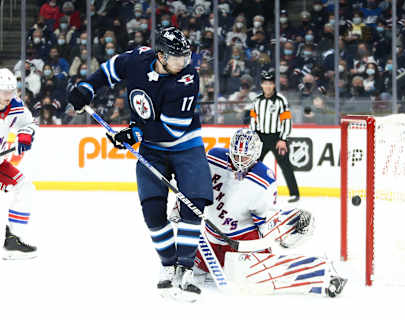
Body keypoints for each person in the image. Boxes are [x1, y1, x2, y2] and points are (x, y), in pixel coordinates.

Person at [67, 27, 213, 298]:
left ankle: (186, 267)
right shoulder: (137, 59)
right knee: (153, 213)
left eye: (186, 56)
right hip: (151, 150)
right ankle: (168, 265)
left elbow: (172, 130)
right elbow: (109, 70)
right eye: (177, 57)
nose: (184, 62)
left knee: (193, 204)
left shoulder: (187, 79)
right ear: (160, 55)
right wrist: (86, 88)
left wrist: (133, 134)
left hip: (186, 147)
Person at [171, 129, 346, 297]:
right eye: (236, 155)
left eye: (245, 156)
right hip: (209, 237)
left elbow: (264, 220)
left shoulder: (264, 179)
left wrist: (279, 231)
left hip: (242, 239)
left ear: (256, 155)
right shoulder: (214, 158)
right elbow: (194, 183)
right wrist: (180, 205)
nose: (239, 161)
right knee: (184, 271)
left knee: (257, 277)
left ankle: (321, 272)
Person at [0, 68, 37, 260]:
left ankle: (13, 241)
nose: (8, 96)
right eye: (4, 92)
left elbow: (29, 123)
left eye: (11, 91)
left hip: (0, 163)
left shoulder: (15, 105)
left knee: (24, 186)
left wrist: (25, 134)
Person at [249, 70, 300, 203]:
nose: (267, 86)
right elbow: (253, 120)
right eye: (265, 83)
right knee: (253, 165)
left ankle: (294, 193)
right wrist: (254, 137)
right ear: (261, 85)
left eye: (270, 83)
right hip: (260, 138)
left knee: (285, 165)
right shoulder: (257, 100)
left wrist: (283, 139)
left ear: (274, 85)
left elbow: (287, 120)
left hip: (277, 137)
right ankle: (251, 191)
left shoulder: (280, 100)